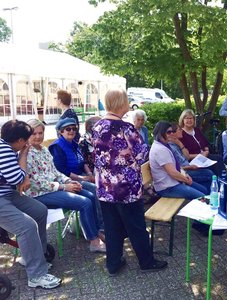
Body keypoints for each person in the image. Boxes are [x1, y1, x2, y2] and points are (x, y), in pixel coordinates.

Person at [92, 88, 167, 276]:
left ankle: (113, 263)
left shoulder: (97, 126)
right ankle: (146, 262)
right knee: (136, 226)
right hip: (127, 188)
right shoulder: (126, 128)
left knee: (112, 227)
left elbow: (93, 155)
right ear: (121, 104)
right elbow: (141, 154)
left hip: (105, 187)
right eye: (126, 100)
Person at [24, 119, 105, 253]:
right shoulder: (27, 154)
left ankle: (96, 232)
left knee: (90, 196)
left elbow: (55, 171)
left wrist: (68, 181)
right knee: (84, 202)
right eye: (34, 134)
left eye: (40, 133)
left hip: (54, 187)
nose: (38, 136)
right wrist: (63, 187)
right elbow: (36, 183)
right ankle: (94, 242)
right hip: (39, 195)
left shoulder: (43, 150)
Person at [0, 120, 61, 289]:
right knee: (26, 226)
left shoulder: (8, 146)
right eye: (26, 140)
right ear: (19, 141)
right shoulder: (4, 150)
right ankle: (36, 275)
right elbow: (18, 179)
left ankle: (32, 256)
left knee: (39, 210)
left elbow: (20, 179)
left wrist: (23, 174)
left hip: (8, 194)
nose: (27, 143)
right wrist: (24, 157)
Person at [150, 121, 207, 199]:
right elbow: (172, 172)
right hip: (167, 188)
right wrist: (186, 180)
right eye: (168, 132)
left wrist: (185, 175)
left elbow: (175, 166)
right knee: (202, 197)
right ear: (160, 133)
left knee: (204, 190)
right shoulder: (160, 149)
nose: (171, 134)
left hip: (174, 182)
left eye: (172, 132)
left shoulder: (164, 145)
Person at [167, 122, 214, 194]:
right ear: (173, 133)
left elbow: (187, 156)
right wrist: (190, 167)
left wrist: (180, 143)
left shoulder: (177, 143)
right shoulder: (171, 147)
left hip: (188, 167)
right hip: (183, 173)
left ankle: (207, 195)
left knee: (208, 173)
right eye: (179, 130)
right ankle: (209, 195)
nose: (182, 131)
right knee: (209, 174)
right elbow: (177, 167)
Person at [179, 109, 225, 176]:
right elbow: (184, 155)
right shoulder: (181, 134)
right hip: (193, 159)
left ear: (194, 120)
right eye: (186, 118)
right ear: (182, 120)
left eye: (191, 118)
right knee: (212, 164)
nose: (189, 120)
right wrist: (200, 155)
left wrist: (206, 150)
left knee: (218, 158)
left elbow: (205, 144)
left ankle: (223, 180)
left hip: (204, 156)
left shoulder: (196, 130)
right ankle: (217, 181)